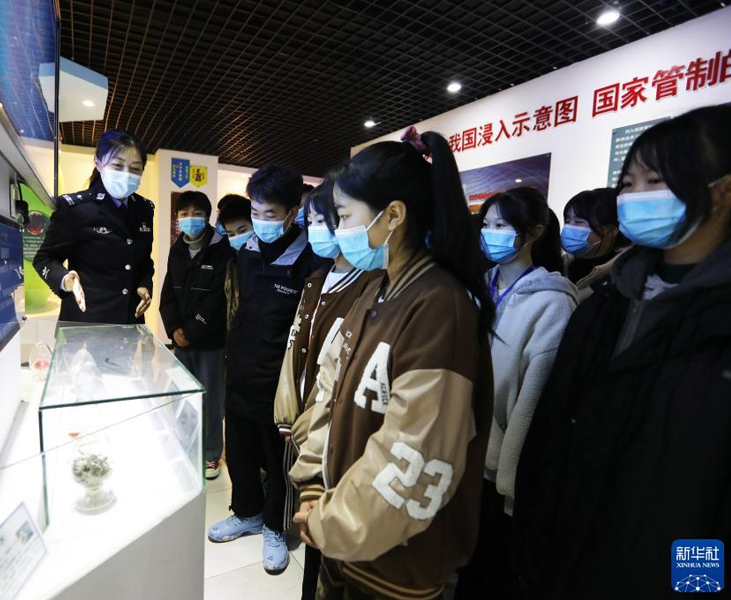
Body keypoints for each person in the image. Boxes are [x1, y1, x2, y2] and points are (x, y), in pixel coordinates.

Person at [513, 105, 731, 600]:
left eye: (655, 181)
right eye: (628, 184)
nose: (635, 197)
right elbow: (553, 434)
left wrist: (695, 584)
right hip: (569, 555)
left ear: (723, 191)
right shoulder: (605, 303)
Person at [289, 127, 495, 600]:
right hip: (343, 531)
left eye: (344, 216)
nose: (339, 231)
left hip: (394, 558)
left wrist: (332, 520)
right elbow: (330, 393)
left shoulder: (439, 306)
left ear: (394, 215)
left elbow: (414, 453)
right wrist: (314, 485)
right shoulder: (375, 290)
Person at [454, 188, 577, 599]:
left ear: (535, 233)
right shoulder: (476, 286)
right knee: (461, 562)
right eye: (487, 224)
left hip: (496, 470)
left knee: (489, 570)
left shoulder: (552, 303)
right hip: (458, 451)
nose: (491, 233)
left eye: (502, 225)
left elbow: (532, 402)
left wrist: (508, 482)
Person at [208, 165, 328, 576]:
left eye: (270, 213)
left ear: (293, 213)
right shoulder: (246, 251)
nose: (261, 221)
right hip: (241, 368)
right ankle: (247, 512)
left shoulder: (311, 259)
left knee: (277, 460)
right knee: (239, 450)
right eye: (256, 212)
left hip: (280, 381)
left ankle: (275, 526)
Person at [273, 179, 383, 600]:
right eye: (311, 221)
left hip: (333, 431)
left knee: (329, 545)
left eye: (326, 220)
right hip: (304, 421)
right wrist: (288, 411)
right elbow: (294, 348)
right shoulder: (315, 279)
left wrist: (310, 424)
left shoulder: (370, 284)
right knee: (311, 532)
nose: (315, 230)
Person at [33, 130, 154, 324]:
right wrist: (65, 280)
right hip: (86, 322)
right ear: (98, 162)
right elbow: (44, 259)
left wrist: (145, 285)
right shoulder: (76, 209)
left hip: (129, 323)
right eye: (118, 165)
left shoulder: (144, 210)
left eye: (135, 168)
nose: (126, 174)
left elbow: (144, 262)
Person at [159, 190, 233, 481]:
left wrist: (191, 331)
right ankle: (186, 445)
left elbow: (217, 299)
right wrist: (173, 328)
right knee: (182, 395)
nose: (190, 219)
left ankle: (211, 453)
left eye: (197, 213)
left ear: (208, 216)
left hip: (211, 342)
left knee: (211, 398)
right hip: (182, 341)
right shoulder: (177, 248)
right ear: (177, 217)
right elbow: (168, 292)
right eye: (184, 213)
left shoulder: (221, 248)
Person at [561, 187, 626, 300]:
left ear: (610, 231)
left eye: (578, 222)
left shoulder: (623, 278)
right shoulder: (560, 267)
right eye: (567, 221)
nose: (569, 227)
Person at [216, 194, 253, 331]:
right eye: (231, 234)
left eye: (242, 231)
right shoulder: (231, 263)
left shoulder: (268, 262)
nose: (237, 237)